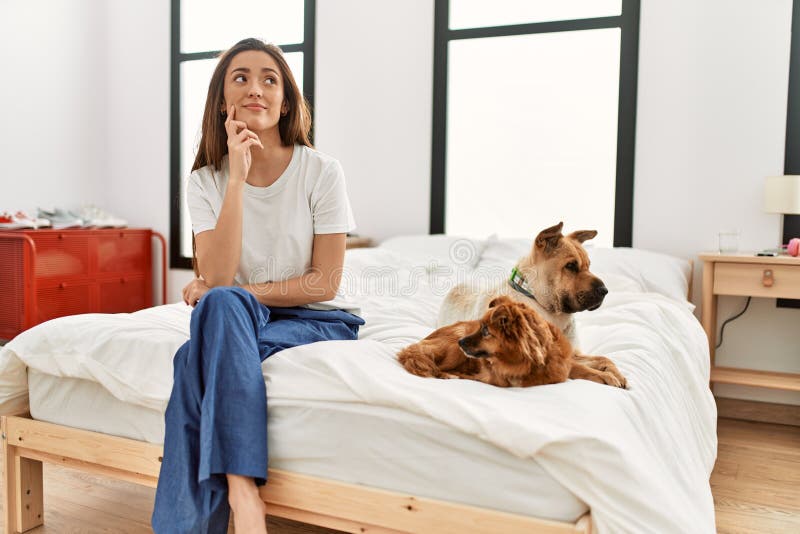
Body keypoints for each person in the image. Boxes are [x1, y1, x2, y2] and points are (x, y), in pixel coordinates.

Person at [152, 38, 364, 534]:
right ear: (223, 100)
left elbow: (325, 282)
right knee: (221, 306)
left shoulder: (322, 171)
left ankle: (229, 505)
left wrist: (237, 293)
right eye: (240, 78)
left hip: (316, 320)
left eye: (270, 79)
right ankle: (244, 493)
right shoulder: (207, 180)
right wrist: (236, 181)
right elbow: (220, 278)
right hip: (237, 315)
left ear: (285, 100)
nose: (256, 88)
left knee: (193, 357)